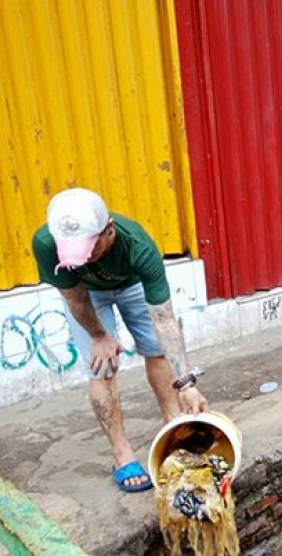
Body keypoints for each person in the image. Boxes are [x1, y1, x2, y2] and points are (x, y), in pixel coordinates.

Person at [32, 188, 209, 493]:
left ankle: (174, 426)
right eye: (73, 251)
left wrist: (188, 383)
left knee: (156, 351)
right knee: (102, 366)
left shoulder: (138, 246)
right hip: (86, 296)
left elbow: (164, 321)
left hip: (131, 284)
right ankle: (121, 453)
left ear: (109, 230)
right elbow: (74, 297)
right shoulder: (47, 243)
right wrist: (98, 336)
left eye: (89, 248)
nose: (81, 259)